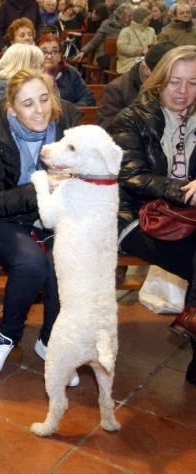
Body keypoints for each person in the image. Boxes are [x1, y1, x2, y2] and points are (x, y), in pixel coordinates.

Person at [0, 68, 82, 380]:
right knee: (32, 264)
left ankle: (50, 341)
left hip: (51, 219)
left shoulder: (68, 132)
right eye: (28, 103)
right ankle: (7, 336)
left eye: (44, 99)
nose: (39, 110)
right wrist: (41, 185)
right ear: (12, 108)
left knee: (65, 261)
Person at [109, 45, 196, 386]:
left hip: (187, 217)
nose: (183, 92)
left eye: (193, 83)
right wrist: (185, 190)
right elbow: (130, 176)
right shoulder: (132, 118)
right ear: (159, 80)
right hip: (136, 215)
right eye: (175, 82)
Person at [98, 41, 177, 129]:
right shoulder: (117, 89)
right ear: (146, 70)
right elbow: (109, 131)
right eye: (163, 77)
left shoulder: (185, 86)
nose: (170, 82)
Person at [71, 3, 132, 70]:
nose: (131, 18)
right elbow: (95, 40)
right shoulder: (108, 24)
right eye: (129, 16)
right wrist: (83, 51)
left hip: (120, 56)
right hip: (104, 56)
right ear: (122, 15)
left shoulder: (129, 26)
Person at [37, 34, 95, 105]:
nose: (49, 56)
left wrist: (70, 111)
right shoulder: (30, 74)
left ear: (60, 56)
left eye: (54, 52)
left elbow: (88, 98)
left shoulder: (70, 73)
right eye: (44, 52)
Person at [116, 7, 156, 74]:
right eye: (147, 17)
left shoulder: (151, 31)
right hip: (128, 61)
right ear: (140, 18)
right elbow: (122, 47)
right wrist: (141, 51)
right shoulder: (126, 31)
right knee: (142, 67)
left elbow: (155, 46)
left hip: (148, 59)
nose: (150, 19)